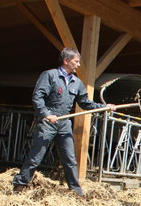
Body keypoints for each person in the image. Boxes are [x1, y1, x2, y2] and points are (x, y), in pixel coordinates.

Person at [12, 48, 115, 195]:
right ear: (66, 61)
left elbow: (85, 102)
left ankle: (76, 192)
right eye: (76, 61)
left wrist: (104, 106)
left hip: (64, 123)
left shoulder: (77, 83)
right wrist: (46, 114)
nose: (78, 65)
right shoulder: (50, 76)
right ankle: (19, 186)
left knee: (70, 159)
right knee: (36, 157)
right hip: (48, 123)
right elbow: (38, 97)